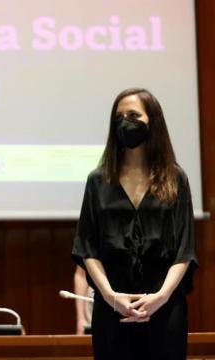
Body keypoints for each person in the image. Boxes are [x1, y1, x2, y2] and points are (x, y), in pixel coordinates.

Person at [72, 88, 197, 359]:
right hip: (112, 306)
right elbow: (87, 248)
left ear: (152, 120)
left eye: (133, 115)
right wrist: (111, 296)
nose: (125, 122)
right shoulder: (98, 180)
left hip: (164, 307)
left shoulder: (176, 179)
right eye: (119, 117)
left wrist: (160, 298)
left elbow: (184, 250)